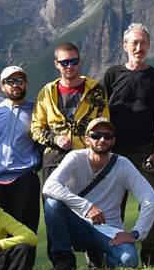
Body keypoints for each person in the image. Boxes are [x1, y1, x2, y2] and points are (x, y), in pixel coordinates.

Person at [41, 117, 154, 270]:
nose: (102, 139)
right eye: (96, 135)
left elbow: (150, 198)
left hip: (109, 229)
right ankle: (64, 262)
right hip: (78, 225)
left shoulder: (123, 164)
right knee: (52, 204)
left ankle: (101, 260)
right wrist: (86, 207)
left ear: (113, 141)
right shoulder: (75, 157)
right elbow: (49, 186)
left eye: (107, 136)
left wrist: (136, 234)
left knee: (129, 261)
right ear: (87, 139)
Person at [100, 24, 154, 262]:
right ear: (125, 46)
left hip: (145, 152)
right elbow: (101, 113)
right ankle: (111, 255)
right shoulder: (112, 75)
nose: (139, 48)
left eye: (143, 43)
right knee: (112, 206)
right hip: (114, 151)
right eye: (134, 43)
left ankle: (149, 257)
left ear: (149, 46)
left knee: (149, 203)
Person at [31, 42, 110, 179]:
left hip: (87, 159)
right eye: (64, 63)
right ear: (57, 64)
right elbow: (36, 128)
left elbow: (104, 125)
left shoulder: (96, 90)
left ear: (79, 62)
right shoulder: (46, 92)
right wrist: (55, 139)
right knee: (53, 201)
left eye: (74, 61)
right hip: (54, 161)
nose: (70, 66)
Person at [0, 65, 43, 231]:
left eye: (19, 80)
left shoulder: (37, 110)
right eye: (10, 81)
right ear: (2, 86)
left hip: (24, 178)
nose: (15, 84)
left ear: (26, 83)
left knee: (25, 232)